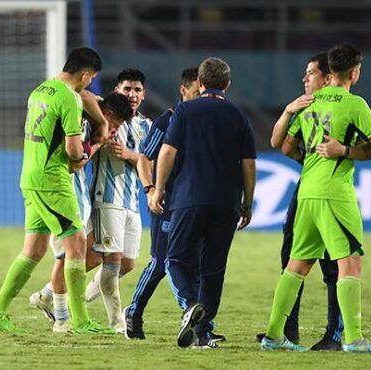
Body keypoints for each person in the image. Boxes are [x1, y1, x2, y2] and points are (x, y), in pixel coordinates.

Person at [261, 44, 371, 353]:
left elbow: (285, 144)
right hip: (334, 193)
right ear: (355, 73)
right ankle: (353, 338)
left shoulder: (308, 102)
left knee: (298, 265)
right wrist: (344, 150)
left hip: (306, 190)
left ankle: (273, 335)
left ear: (329, 71)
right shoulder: (354, 104)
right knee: (350, 265)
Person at [0, 47, 112, 334]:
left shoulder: (40, 90)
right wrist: (95, 145)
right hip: (52, 180)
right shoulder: (69, 98)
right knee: (77, 244)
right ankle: (80, 321)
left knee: (33, 250)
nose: (89, 84)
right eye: (90, 79)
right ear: (86, 74)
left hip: (29, 175)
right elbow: (74, 151)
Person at [149, 57, 256, 349]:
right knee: (213, 268)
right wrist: (247, 203)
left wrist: (158, 188)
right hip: (227, 202)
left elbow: (168, 152)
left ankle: (190, 306)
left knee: (175, 259)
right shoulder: (238, 115)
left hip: (188, 198)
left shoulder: (185, 110)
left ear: (199, 82)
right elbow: (248, 164)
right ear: (227, 85)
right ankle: (204, 331)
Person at [28, 93, 133, 333]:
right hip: (63, 196)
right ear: (107, 116)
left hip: (79, 198)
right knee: (65, 257)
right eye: (114, 125)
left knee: (94, 255)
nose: (113, 130)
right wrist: (99, 141)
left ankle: (47, 295)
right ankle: (62, 319)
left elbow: (87, 95)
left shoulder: (87, 118)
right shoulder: (76, 121)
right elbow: (76, 162)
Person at [122, 67, 203, 340]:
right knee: (162, 261)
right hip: (167, 202)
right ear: (184, 90)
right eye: (196, 92)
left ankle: (199, 323)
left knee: (195, 262)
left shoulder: (205, 120)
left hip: (193, 203)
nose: (201, 96)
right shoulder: (167, 121)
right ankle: (136, 312)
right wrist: (150, 189)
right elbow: (145, 158)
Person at [86, 68, 151, 332]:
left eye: (137, 90)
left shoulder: (146, 126)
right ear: (116, 91)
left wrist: (129, 155)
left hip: (132, 202)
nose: (132, 94)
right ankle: (116, 323)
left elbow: (149, 162)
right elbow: (86, 96)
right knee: (109, 259)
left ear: (144, 95)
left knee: (127, 263)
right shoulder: (104, 116)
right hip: (107, 196)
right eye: (127, 89)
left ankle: (53, 295)